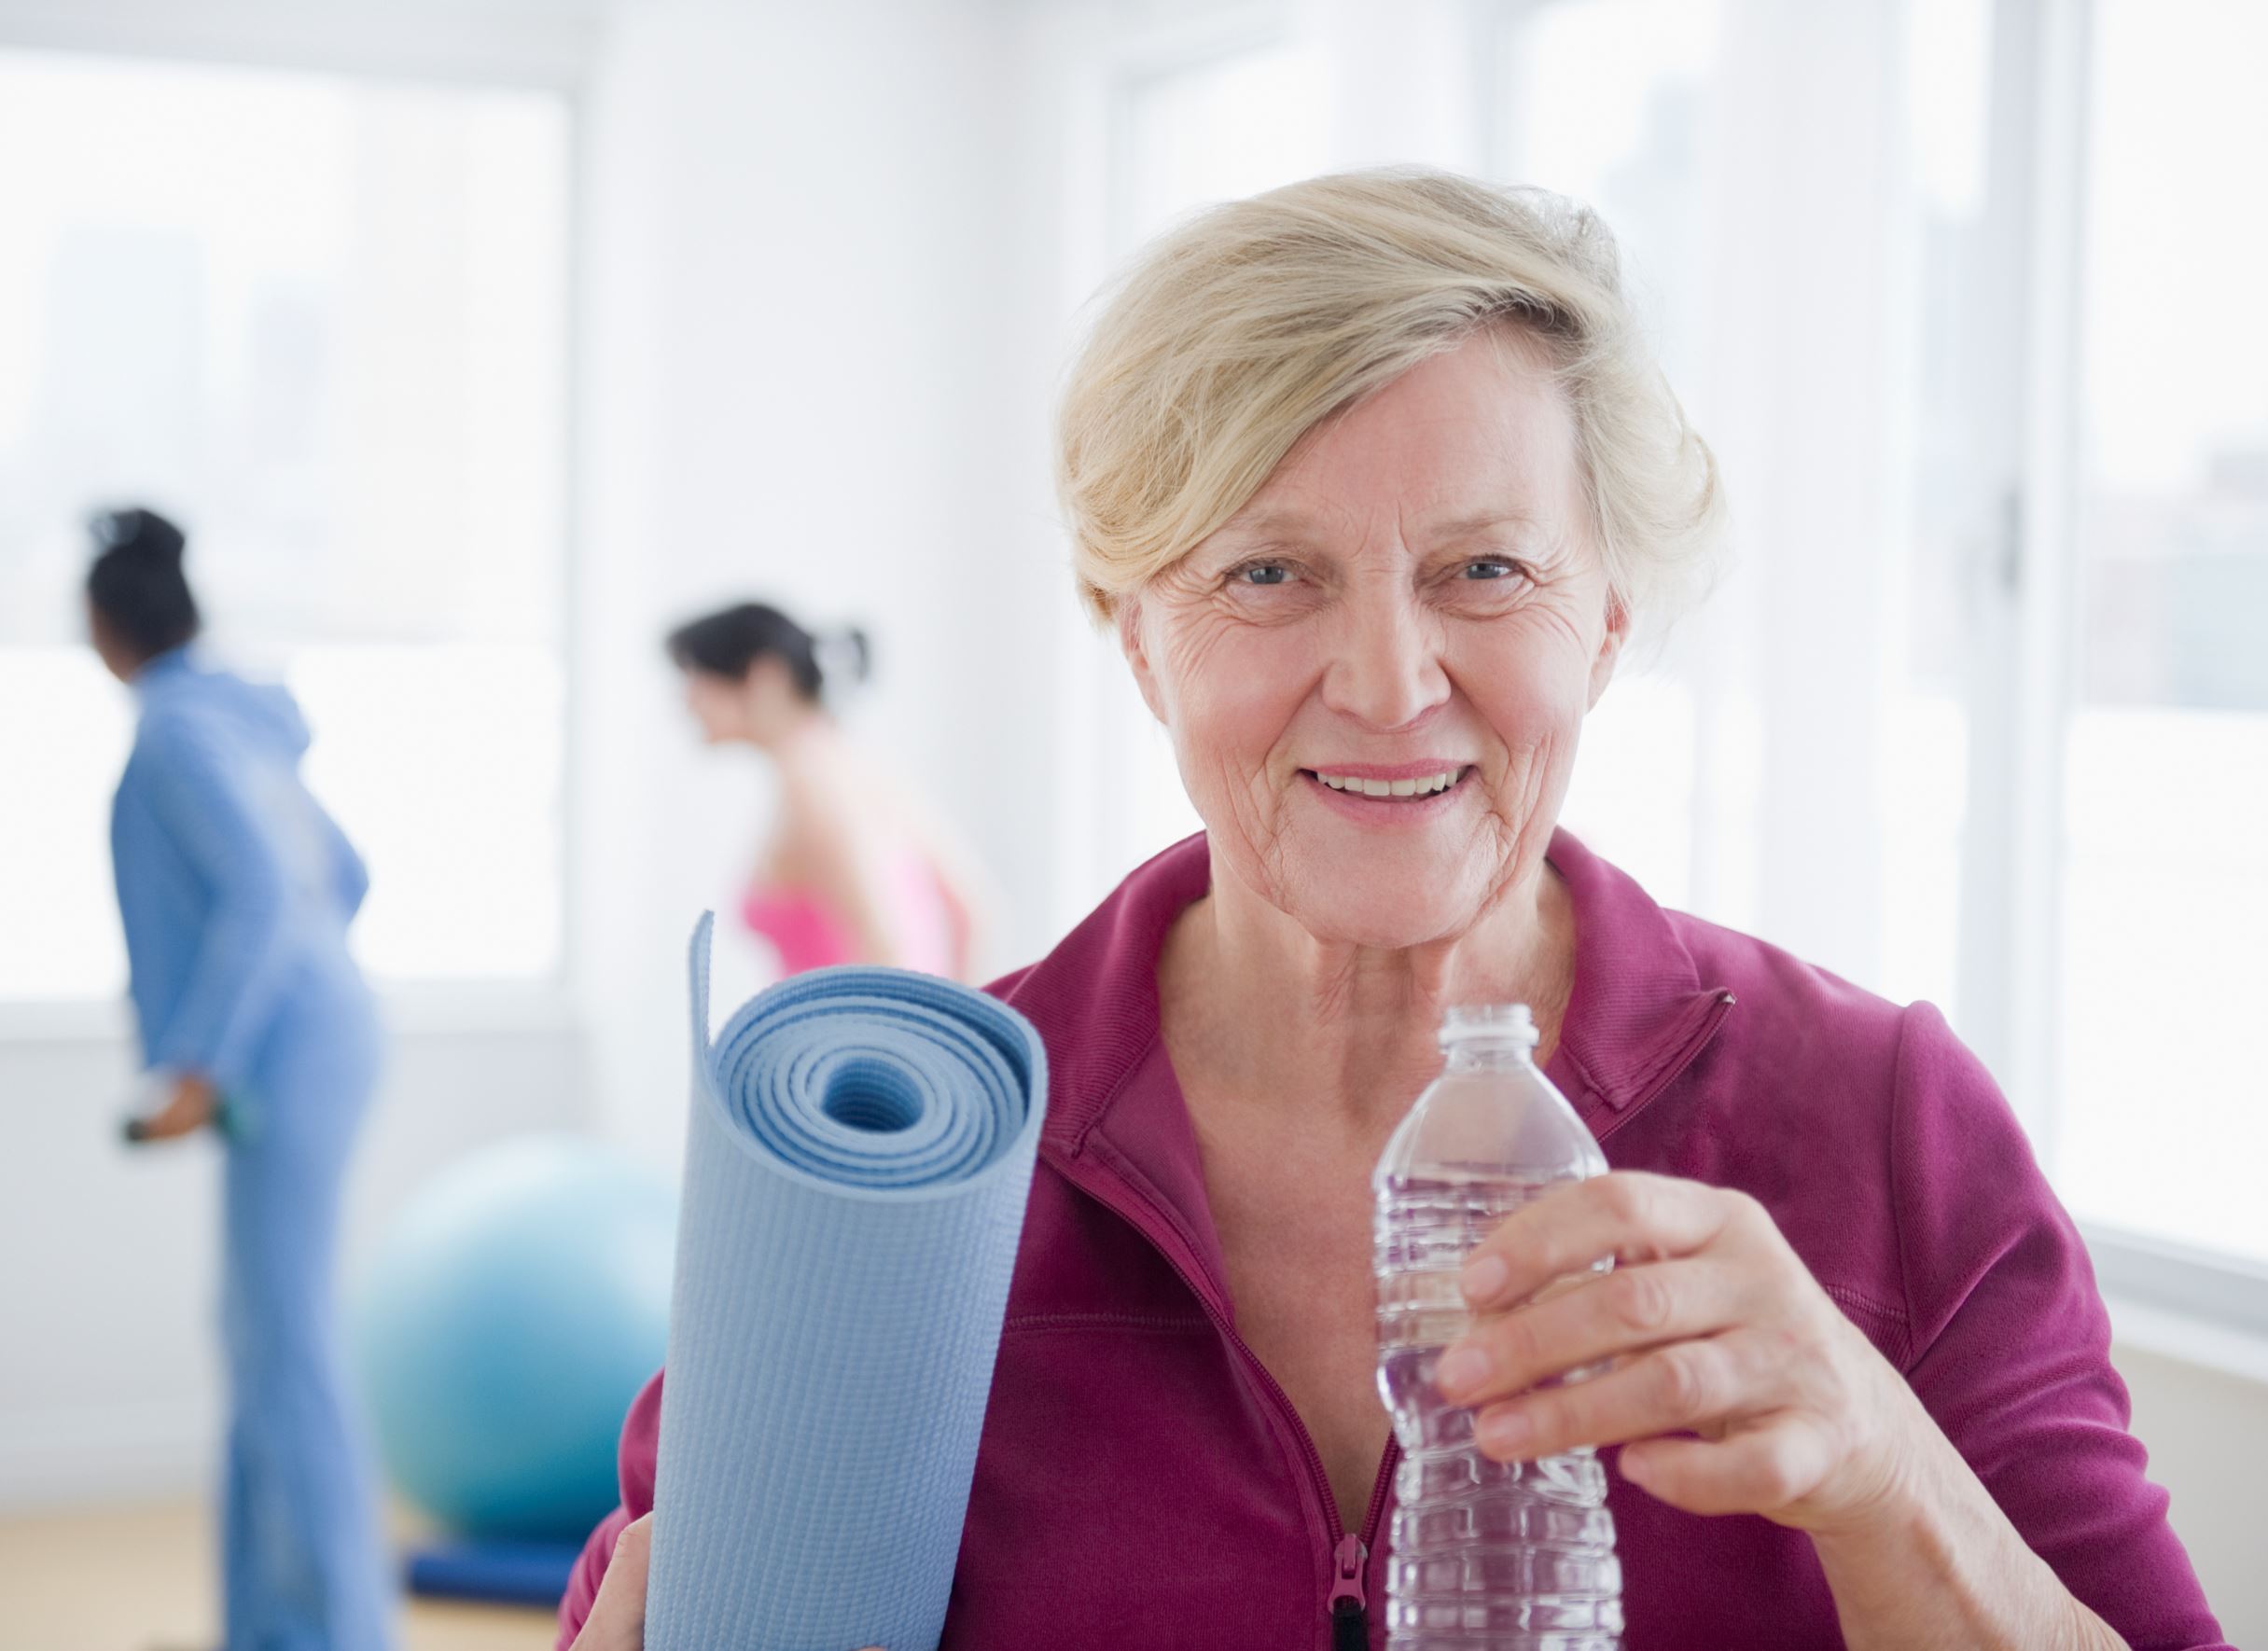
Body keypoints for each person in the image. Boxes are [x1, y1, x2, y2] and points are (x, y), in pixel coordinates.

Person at [564, 172, 2226, 1648]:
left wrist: (1882, 1469)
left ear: (1609, 619)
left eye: (1486, 572)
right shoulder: (908, 1180)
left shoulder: (1886, 1133)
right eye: (1268, 574)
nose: (1387, 682)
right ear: (1132, 632)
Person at [90, 507, 393, 1651]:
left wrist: (201, 1061)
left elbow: (268, 892)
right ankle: (269, 1626)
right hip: (317, 1033)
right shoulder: (240, 721)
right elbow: (343, 875)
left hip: (283, 1052)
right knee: (260, 1330)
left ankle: (339, 1633)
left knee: (290, 1340)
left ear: (102, 625)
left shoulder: (174, 733)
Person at [666, 601, 984, 979]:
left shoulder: (811, 784)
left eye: (694, 675)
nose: (685, 699)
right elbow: (973, 913)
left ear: (762, 675)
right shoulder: (853, 763)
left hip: (849, 1036)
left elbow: (886, 944)